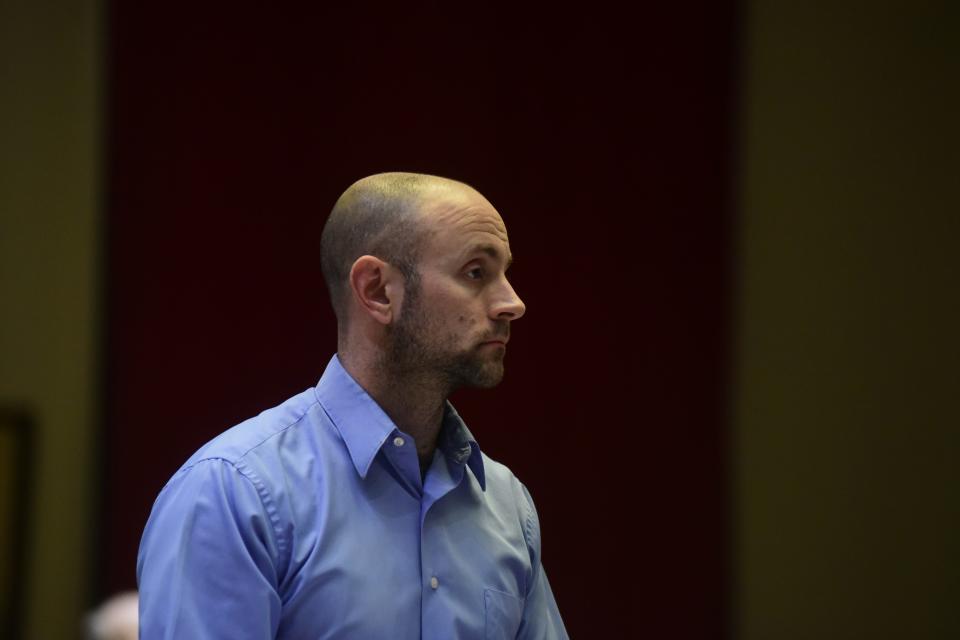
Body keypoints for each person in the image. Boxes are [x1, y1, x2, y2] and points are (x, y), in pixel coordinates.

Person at [137, 172, 567, 639]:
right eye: (476, 272)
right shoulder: (232, 494)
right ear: (378, 290)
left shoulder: (507, 506)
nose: (513, 303)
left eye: (505, 273)